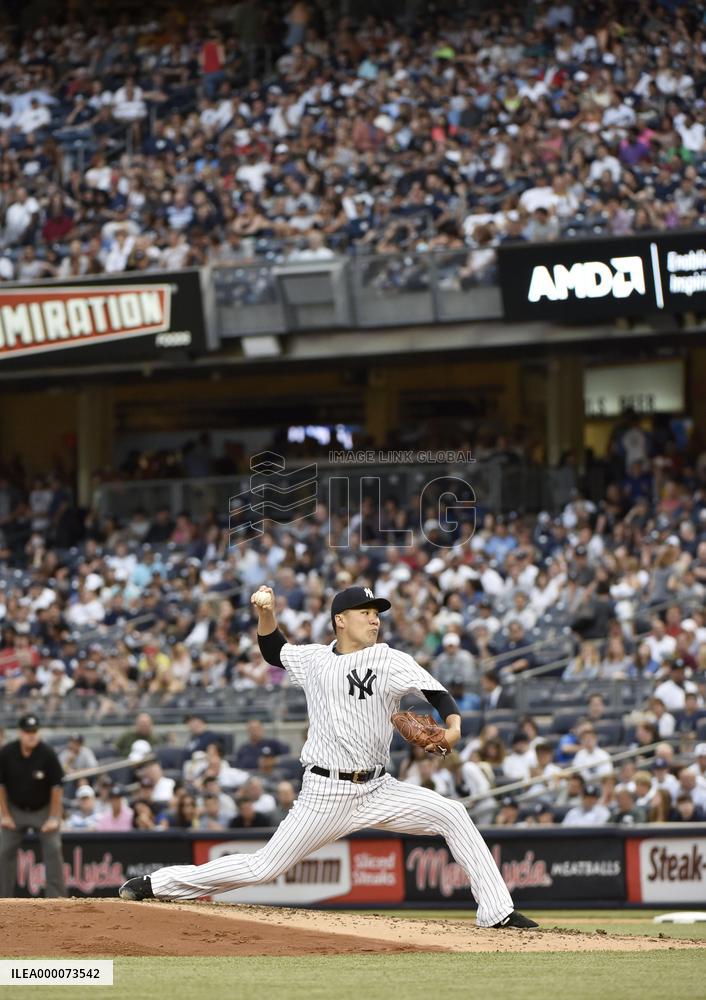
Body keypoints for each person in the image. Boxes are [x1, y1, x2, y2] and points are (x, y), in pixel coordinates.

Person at [120, 585, 537, 929]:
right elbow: (273, 649)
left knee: (452, 814)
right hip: (324, 792)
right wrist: (266, 614)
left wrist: (455, 724)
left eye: (377, 613)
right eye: (365, 612)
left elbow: (435, 693)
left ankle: (497, 913)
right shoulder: (315, 659)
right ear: (340, 619)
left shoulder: (387, 658)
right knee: (263, 868)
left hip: (377, 786)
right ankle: (159, 884)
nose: (375, 619)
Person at [0, 715, 66, 897]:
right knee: (3, 851)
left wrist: (54, 817)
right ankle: (2, 899)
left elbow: (57, 787)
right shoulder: (6, 753)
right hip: (15, 809)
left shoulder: (47, 754)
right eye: (28, 732)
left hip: (43, 810)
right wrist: (4, 815)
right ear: (20, 733)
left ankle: (57, 900)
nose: (31, 736)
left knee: (53, 847)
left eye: (34, 731)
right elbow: (1, 785)